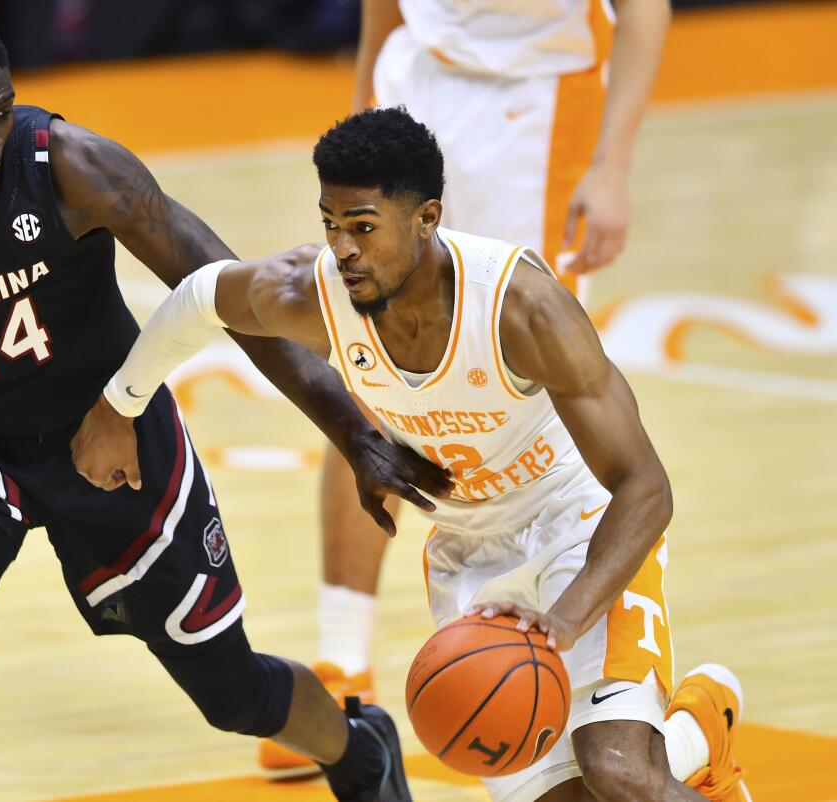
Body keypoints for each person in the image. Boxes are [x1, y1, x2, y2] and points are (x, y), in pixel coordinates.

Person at [0, 12, 453, 802]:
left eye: (0, 113)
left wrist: (353, 432)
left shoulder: (74, 168)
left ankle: (356, 746)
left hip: (109, 434)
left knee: (231, 692)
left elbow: (231, 294)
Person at [71, 108, 749, 802]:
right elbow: (195, 299)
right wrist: (119, 405)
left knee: (621, 776)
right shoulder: (314, 293)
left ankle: (667, 748)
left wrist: (569, 618)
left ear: (426, 218)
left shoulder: (522, 308)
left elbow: (646, 489)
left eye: (363, 226)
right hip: (472, 555)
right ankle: (697, 733)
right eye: (330, 223)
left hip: (577, 528)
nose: (343, 248)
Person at [305, 0, 671, 755]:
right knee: (363, 386)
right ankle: (342, 658)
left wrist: (612, 164)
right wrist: (362, 116)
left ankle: (586, 647)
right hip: (418, 81)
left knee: (529, 404)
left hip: (535, 111)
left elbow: (643, 10)